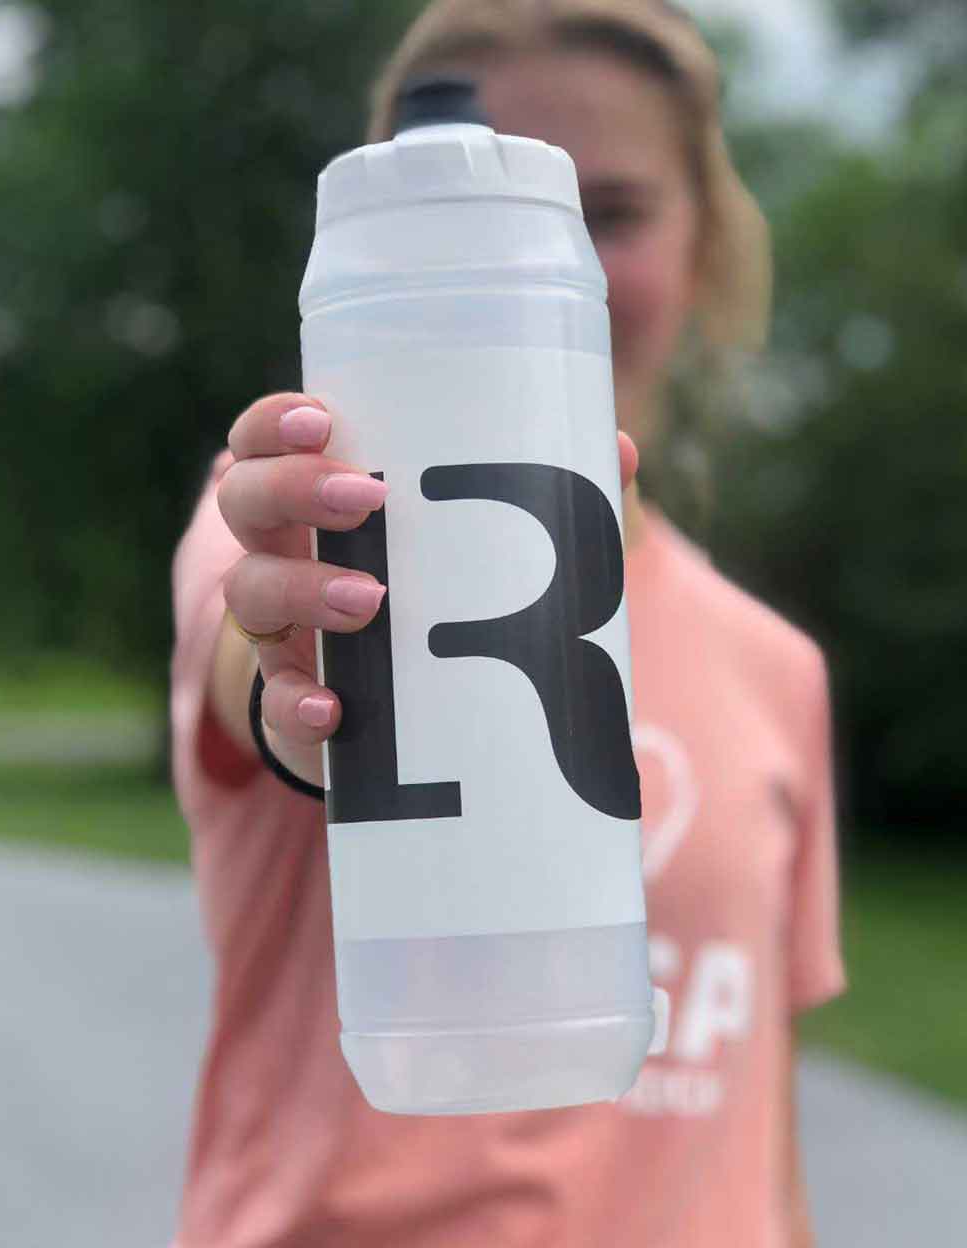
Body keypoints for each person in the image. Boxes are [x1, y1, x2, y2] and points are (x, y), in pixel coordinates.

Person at [169, 2, 845, 1244]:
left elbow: (761, 1139)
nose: (539, 244)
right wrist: (302, 681)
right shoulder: (289, 525)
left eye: (617, 209)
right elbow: (258, 675)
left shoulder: (777, 669)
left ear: (704, 244)